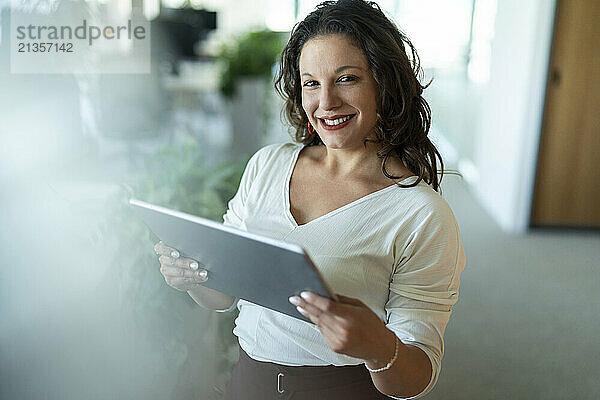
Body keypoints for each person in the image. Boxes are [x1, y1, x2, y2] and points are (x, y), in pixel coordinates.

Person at [153, 0, 466, 398]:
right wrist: (191, 278)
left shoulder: (421, 214)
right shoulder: (268, 165)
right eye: (311, 83)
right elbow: (222, 296)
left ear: (384, 83)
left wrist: (377, 346)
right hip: (248, 383)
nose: (327, 102)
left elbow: (418, 376)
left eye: (347, 78)